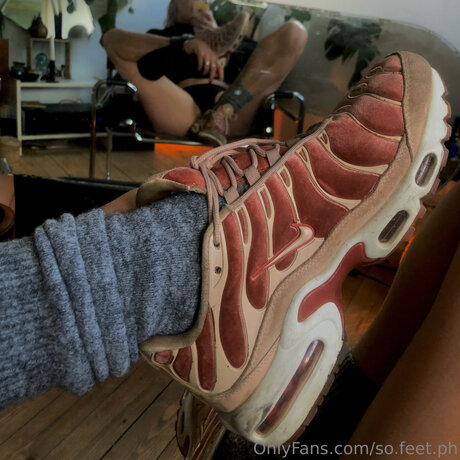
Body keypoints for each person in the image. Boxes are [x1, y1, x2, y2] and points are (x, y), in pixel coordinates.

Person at [0, 50, 456, 457]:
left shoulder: (227, 49)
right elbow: (116, 41)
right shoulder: (171, 42)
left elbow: (290, 36)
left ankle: (182, 268)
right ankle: (188, 267)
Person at [101, 0, 308, 146]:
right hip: (181, 109)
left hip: (233, 111)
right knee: (113, 40)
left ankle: (223, 110)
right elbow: (112, 42)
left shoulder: (241, 42)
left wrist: (219, 39)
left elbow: (261, 71)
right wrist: (185, 43)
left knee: (295, 32)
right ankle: (215, 116)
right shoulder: (160, 36)